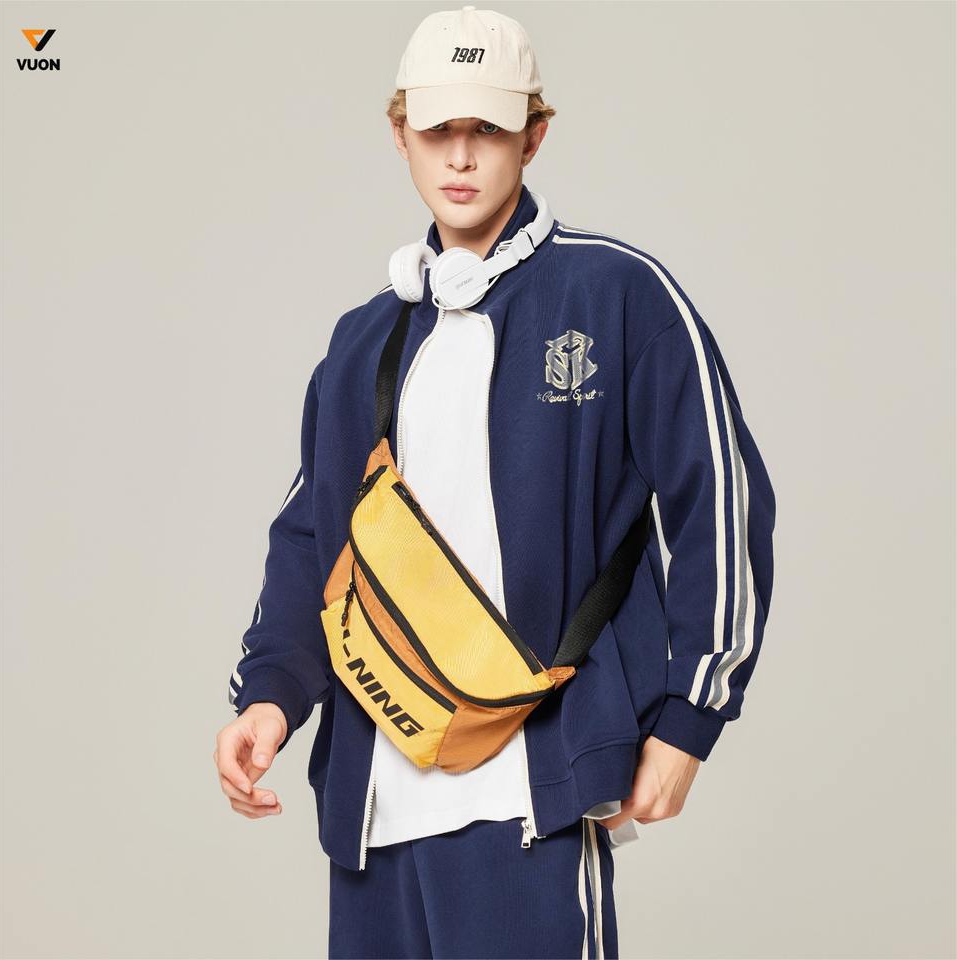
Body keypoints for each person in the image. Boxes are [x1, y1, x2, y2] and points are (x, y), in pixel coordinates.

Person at [213, 6, 777, 958]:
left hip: (529, 799)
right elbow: (314, 540)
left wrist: (691, 716)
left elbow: (720, 498)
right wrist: (270, 696)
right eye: (438, 129)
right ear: (400, 135)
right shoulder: (363, 341)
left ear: (535, 135)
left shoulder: (616, 293)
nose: (462, 156)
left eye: (488, 128)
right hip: (375, 810)